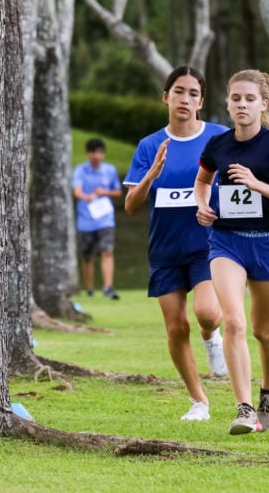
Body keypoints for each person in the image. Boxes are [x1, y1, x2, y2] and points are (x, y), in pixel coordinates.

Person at [195, 69, 269, 435]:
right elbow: (202, 181)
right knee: (235, 322)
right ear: (227, 102)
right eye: (235, 98)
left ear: (263, 104)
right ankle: (244, 409)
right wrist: (203, 205)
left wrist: (257, 184)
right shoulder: (218, 144)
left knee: (263, 330)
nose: (241, 105)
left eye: (249, 99)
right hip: (227, 241)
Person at [123, 66, 230, 422]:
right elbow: (131, 206)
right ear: (166, 97)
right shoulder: (149, 145)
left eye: (193, 94)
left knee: (207, 313)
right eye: (179, 91)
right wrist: (150, 176)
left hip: (208, 244)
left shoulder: (218, 138)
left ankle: (212, 337)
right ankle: (199, 401)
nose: (185, 99)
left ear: (201, 102)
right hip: (166, 250)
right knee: (175, 327)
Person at [72, 137, 123, 299]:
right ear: (88, 154)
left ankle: (108, 287)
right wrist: (86, 197)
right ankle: (89, 288)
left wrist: (104, 193)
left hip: (105, 218)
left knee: (107, 250)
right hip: (86, 219)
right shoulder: (80, 170)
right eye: (94, 152)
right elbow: (76, 190)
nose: (97, 156)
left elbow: (118, 191)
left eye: (100, 152)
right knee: (87, 255)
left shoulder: (109, 170)